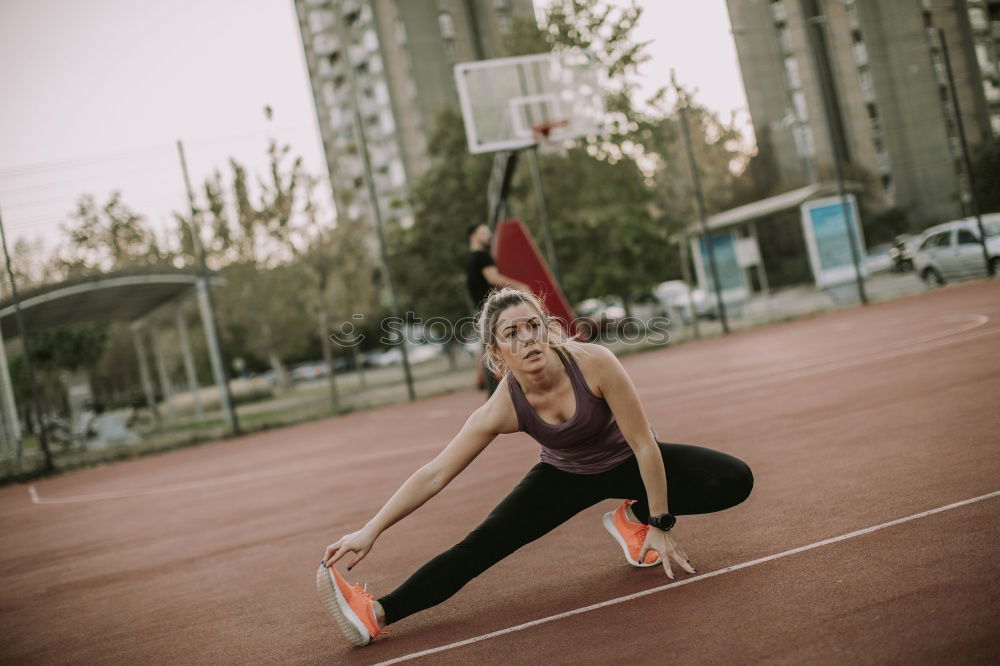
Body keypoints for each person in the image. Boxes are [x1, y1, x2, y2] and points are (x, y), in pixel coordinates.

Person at [317, 287, 754, 647]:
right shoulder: (503, 407)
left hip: (628, 462)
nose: (528, 338)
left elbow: (644, 445)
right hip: (564, 476)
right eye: (513, 333)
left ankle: (631, 517)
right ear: (496, 350)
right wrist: (370, 529)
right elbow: (434, 474)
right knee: (481, 545)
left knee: (734, 480)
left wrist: (659, 520)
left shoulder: (594, 363)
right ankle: (376, 612)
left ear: (548, 329)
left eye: (534, 326)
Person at [465, 223, 530, 396]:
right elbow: (493, 278)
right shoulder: (483, 257)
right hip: (489, 310)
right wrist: (520, 286)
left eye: (488, 232)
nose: (488, 235)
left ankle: (495, 393)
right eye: (483, 233)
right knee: (495, 350)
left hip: (479, 310)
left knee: (490, 349)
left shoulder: (471, 258)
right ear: (473, 236)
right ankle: (498, 394)